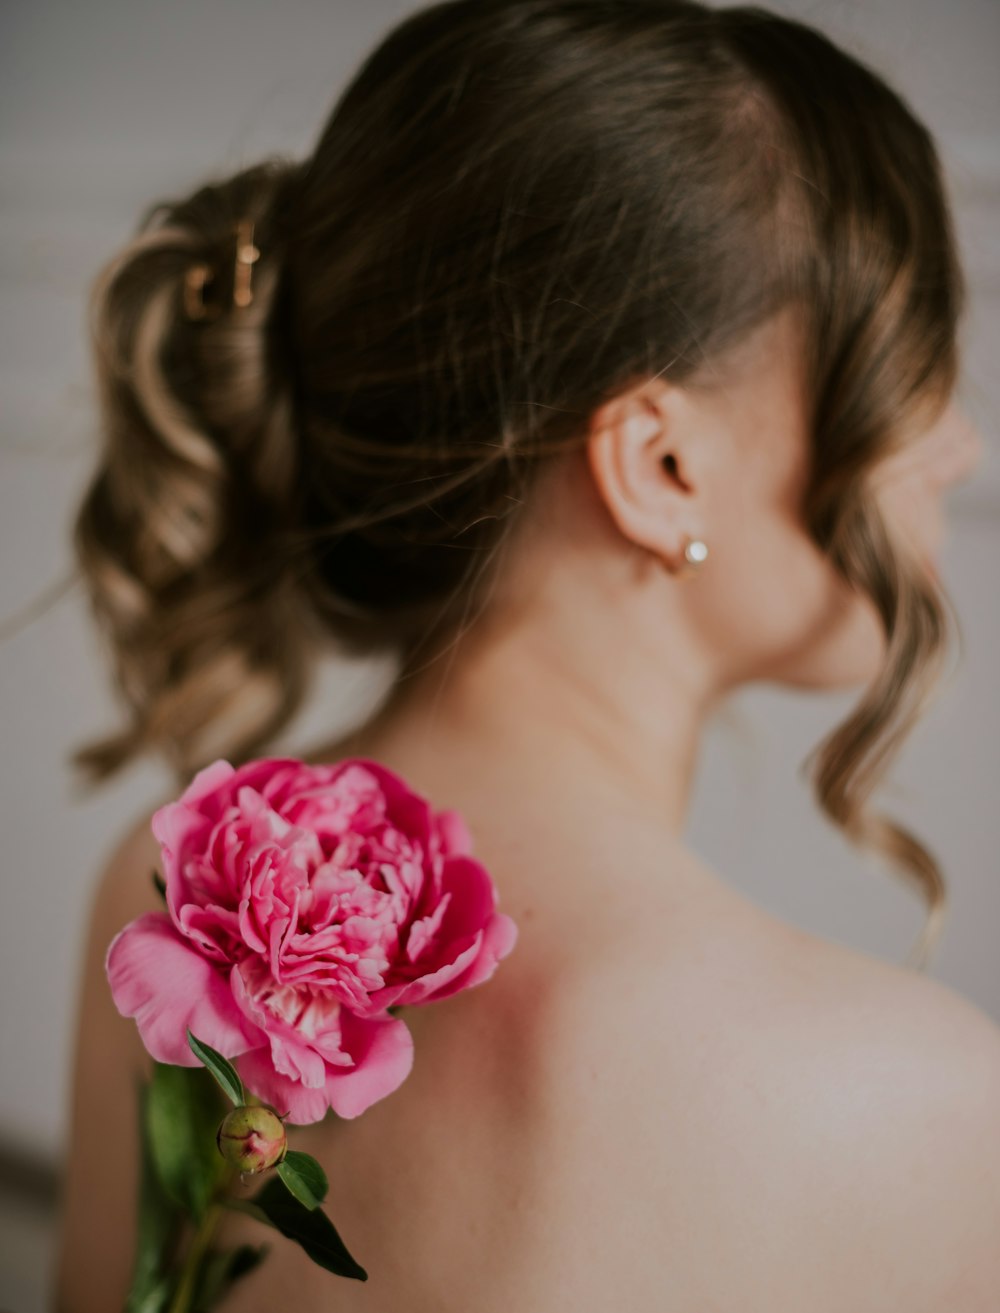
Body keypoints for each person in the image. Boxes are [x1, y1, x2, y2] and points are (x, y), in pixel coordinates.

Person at [55, 1, 1000, 1309]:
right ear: (662, 466)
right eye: (911, 363)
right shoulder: (907, 1103)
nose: (957, 444)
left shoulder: (164, 891)